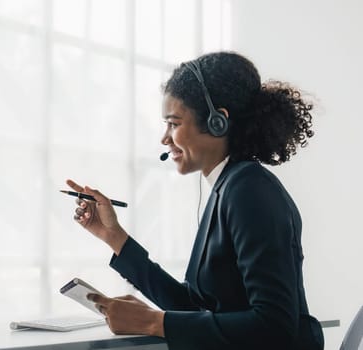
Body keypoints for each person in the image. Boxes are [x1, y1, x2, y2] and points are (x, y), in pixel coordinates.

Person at [65, 51, 324, 350]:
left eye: (174, 123)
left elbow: (274, 326)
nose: (165, 138)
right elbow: (197, 306)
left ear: (217, 123)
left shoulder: (249, 191)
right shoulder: (227, 187)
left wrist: (154, 322)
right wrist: (115, 238)